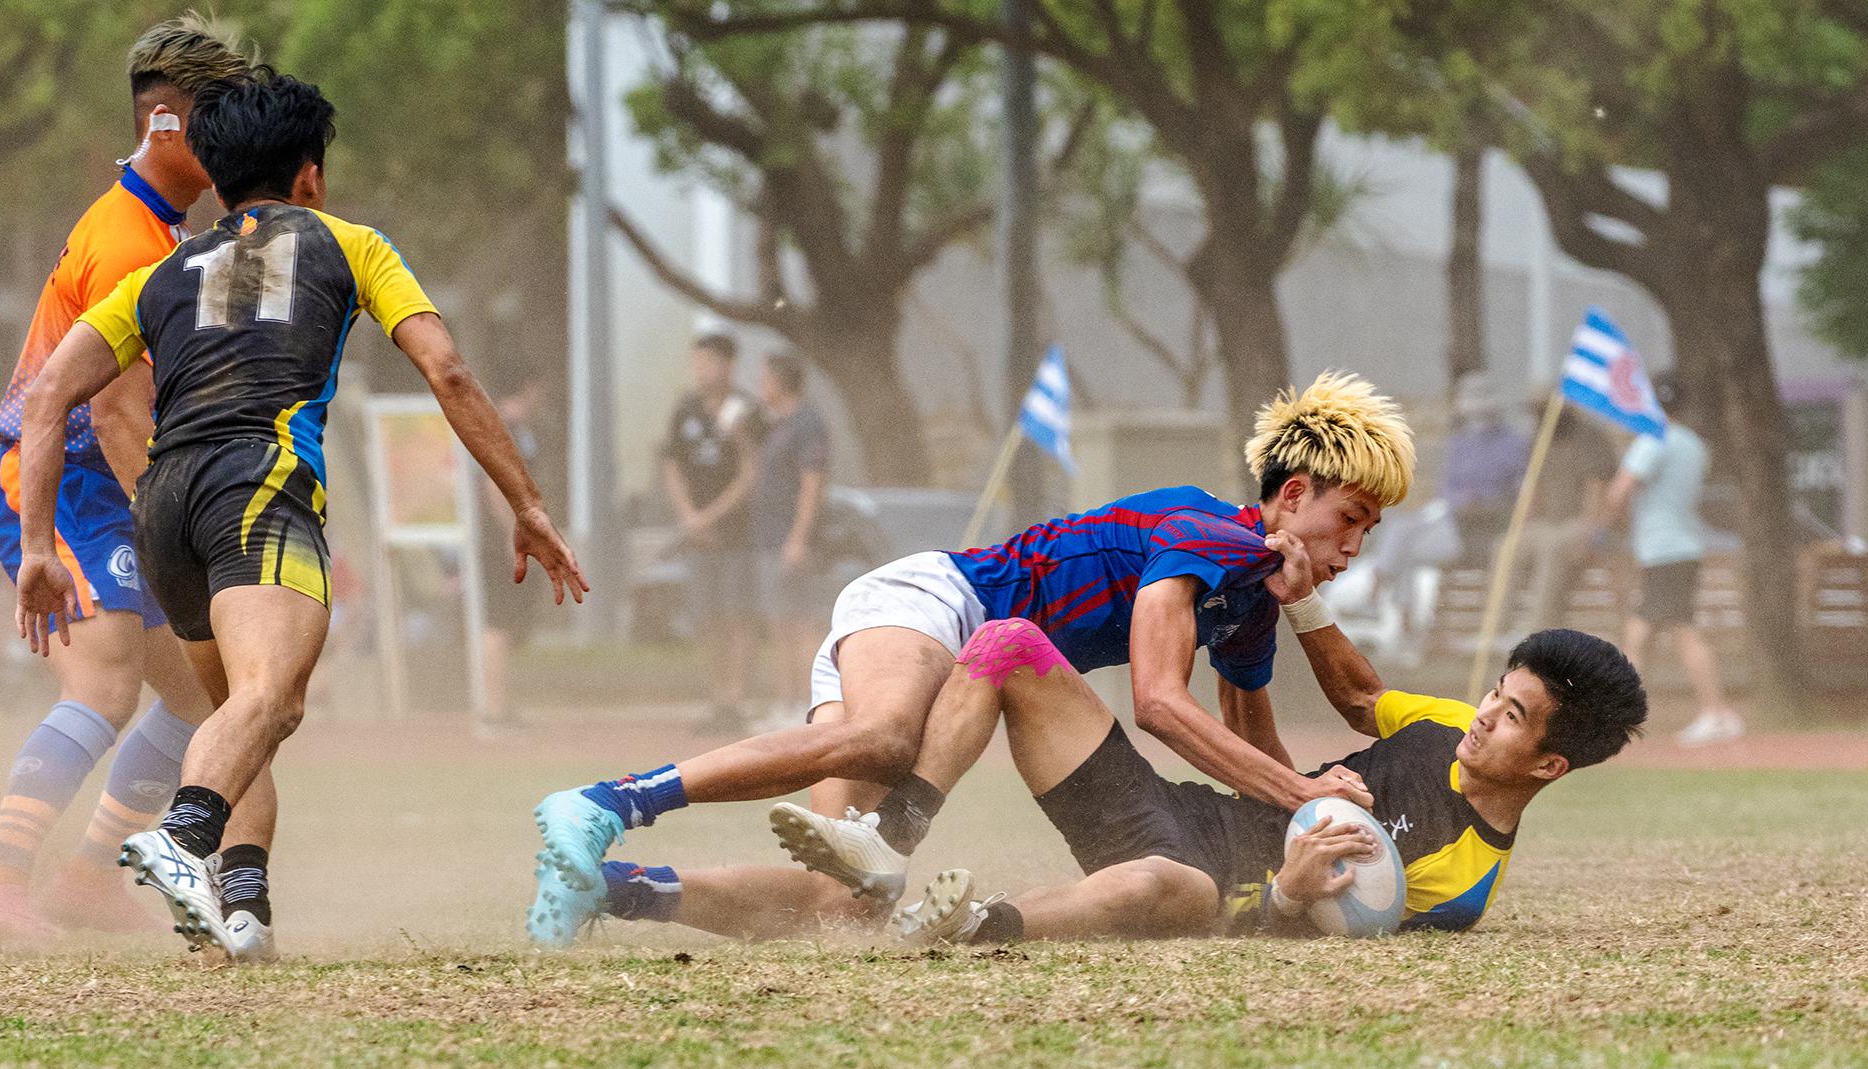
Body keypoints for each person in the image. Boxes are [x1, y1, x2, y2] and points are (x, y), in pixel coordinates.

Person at [13, 72, 587, 961]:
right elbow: (450, 373)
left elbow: (50, 394)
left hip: (163, 509)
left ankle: (241, 918)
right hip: (260, 491)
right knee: (272, 701)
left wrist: (37, 546)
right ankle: (184, 840)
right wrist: (527, 502)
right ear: (310, 174)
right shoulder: (352, 243)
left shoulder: (166, 268)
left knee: (237, 717)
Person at [526, 372, 1413, 945]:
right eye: (1348, 521)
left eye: (1368, 532)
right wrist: (1305, 793)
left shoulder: (1253, 600)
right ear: (1292, 495)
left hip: (948, 656)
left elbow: (1252, 758)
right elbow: (1156, 700)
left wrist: (1299, 828)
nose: (1354, 547)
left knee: (841, 903)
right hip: (937, 607)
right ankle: (607, 803)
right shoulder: (1213, 535)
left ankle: (607, 891)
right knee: (878, 742)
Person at [0, 14, 278, 943]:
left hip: (113, 484)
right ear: (168, 126)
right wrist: (187, 525)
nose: (235, 140)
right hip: (64, 481)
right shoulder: (129, 244)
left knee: (192, 700)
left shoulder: (156, 226)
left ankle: (85, 876)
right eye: (219, 116)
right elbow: (111, 412)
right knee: (104, 685)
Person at [876, 618, 1645, 945]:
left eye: (1511, 716)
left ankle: (968, 926)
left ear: (1550, 765)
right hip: (1170, 809)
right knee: (1011, 645)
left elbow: (1295, 938)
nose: (1482, 716)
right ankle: (890, 836)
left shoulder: (1462, 884)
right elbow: (1361, 698)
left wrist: (1290, 892)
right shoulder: (1444, 722)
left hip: (1206, 885)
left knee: (1154, 885)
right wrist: (1292, 598)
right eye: (1495, 693)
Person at [1596, 377, 1742, 746]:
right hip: (1683, 546)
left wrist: (1609, 521)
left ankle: (1716, 712)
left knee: (1675, 632)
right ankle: (1622, 716)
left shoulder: (1652, 440)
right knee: (1641, 633)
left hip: (1662, 551)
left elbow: (1620, 490)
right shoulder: (1693, 444)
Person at [661, 333, 761, 732]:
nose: (701, 370)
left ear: (728, 364)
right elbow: (671, 464)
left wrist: (713, 516)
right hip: (697, 536)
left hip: (736, 534)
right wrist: (688, 514)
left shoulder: (746, 410)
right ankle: (716, 699)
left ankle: (736, 699)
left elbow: (750, 471)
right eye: (697, 361)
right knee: (707, 618)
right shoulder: (685, 407)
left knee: (738, 615)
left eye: (709, 362)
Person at [750, 353, 832, 728]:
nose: (760, 386)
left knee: (800, 622)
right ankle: (786, 701)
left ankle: (808, 703)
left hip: (792, 540)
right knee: (778, 623)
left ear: (782, 382)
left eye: (765, 379)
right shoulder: (774, 425)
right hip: (768, 537)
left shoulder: (807, 425)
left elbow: (811, 484)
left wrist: (798, 538)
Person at [475, 376, 551, 735]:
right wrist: (512, 534)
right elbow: (495, 483)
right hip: (500, 540)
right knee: (499, 622)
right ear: (528, 390)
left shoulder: (516, 428)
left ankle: (500, 705)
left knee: (508, 623)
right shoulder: (505, 426)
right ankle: (493, 710)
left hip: (510, 536)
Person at [1515, 405, 1616, 630]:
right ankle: (1495, 628)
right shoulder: (1539, 439)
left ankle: (1537, 628)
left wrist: (1589, 534)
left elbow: (1597, 488)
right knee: (1505, 548)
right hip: (1546, 522)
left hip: (1579, 522)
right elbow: (1533, 486)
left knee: (1551, 548)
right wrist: (1522, 522)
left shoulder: (1589, 437)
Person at [1442, 372, 1529, 563]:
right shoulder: (1459, 443)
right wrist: (1459, 500)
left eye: (1484, 397)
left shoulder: (1513, 442)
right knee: (1404, 532)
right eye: (1472, 398)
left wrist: (1489, 500)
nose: (1478, 407)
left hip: (1496, 519)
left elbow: (1520, 485)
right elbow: (1447, 486)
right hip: (1458, 519)